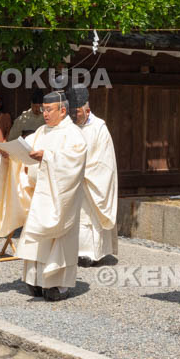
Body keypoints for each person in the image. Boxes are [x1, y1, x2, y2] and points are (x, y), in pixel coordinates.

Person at [12, 91, 87, 302]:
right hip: (40, 196)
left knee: (58, 238)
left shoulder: (73, 134)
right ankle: (35, 280)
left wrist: (47, 157)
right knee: (37, 236)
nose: (44, 114)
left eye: (49, 110)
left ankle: (58, 284)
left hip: (60, 199)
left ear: (62, 111)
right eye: (43, 109)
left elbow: (74, 162)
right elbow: (26, 148)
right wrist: (13, 154)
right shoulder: (41, 132)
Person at [69, 87, 119, 267]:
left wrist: (83, 171)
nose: (74, 117)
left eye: (77, 113)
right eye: (71, 113)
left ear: (87, 110)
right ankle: (72, 252)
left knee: (90, 217)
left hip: (92, 181)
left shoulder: (99, 128)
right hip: (73, 181)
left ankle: (92, 253)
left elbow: (104, 162)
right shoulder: (70, 127)